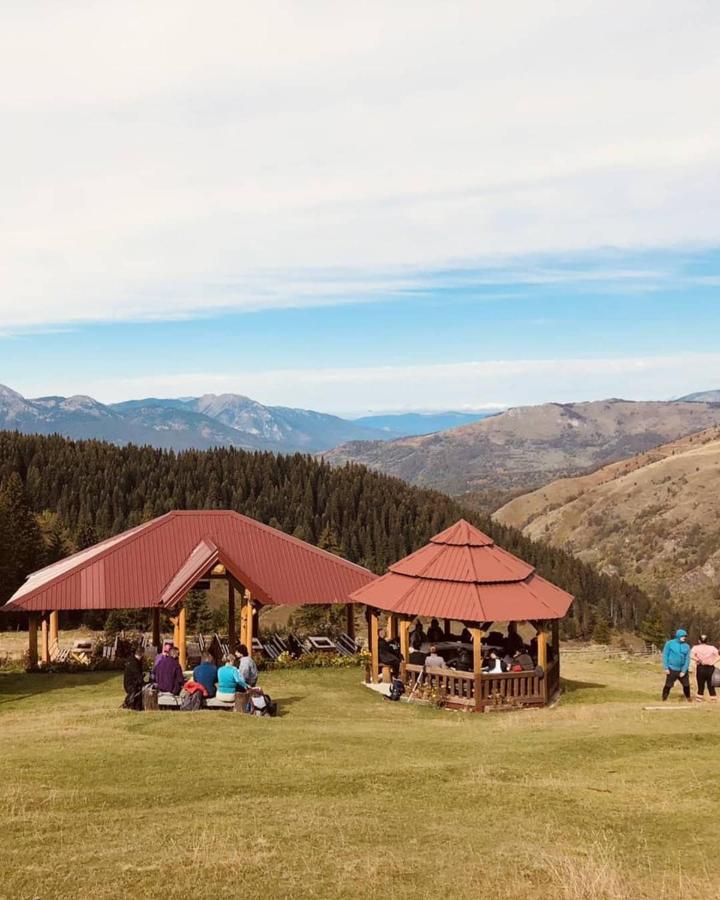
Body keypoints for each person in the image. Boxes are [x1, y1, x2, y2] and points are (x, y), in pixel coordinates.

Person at [662, 629, 692, 702]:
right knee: (668, 685)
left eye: (685, 636)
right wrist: (666, 667)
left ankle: (688, 698)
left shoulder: (687, 646)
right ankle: (664, 699)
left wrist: (684, 671)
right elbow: (665, 655)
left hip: (682, 670)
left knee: (686, 685)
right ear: (678, 636)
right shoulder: (670, 643)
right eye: (682, 636)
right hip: (672, 668)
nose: (684, 637)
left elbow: (687, 659)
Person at [691, 634, 719, 702]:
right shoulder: (712, 648)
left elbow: (691, 655)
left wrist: (698, 660)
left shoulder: (695, 647)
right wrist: (713, 662)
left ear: (699, 641)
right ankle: (713, 700)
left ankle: (699, 700)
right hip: (710, 668)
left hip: (701, 668)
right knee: (711, 686)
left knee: (700, 686)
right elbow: (718, 656)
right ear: (707, 641)